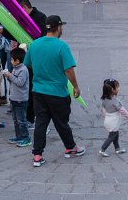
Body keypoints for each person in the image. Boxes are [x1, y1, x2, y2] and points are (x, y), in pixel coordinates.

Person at [24, 15, 84, 167]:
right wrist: (76, 86)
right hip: (57, 92)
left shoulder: (35, 44)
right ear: (58, 28)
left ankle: (37, 155)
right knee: (61, 122)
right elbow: (69, 70)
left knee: (41, 123)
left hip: (38, 91)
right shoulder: (61, 46)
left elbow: (28, 64)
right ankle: (70, 147)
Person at [98, 78, 128, 157]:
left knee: (115, 134)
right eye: (117, 87)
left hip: (108, 120)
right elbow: (122, 110)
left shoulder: (104, 99)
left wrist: (105, 115)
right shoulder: (115, 101)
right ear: (112, 89)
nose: (118, 88)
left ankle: (117, 148)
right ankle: (103, 149)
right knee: (112, 136)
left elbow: (103, 109)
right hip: (113, 121)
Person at [4, 47, 31, 147]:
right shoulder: (15, 68)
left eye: (11, 59)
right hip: (14, 98)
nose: (10, 61)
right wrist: (9, 77)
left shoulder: (23, 70)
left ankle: (26, 138)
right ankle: (19, 136)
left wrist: (10, 76)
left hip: (21, 99)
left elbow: (20, 82)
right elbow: (13, 82)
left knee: (21, 120)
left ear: (17, 61)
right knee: (15, 120)